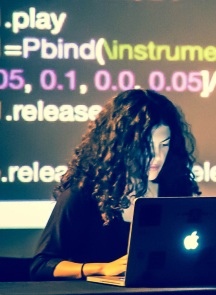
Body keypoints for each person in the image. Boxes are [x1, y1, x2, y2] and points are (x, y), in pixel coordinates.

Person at [30, 89, 199, 280]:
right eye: (147, 146)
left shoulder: (175, 188)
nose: (158, 157)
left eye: (164, 144)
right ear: (121, 145)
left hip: (159, 294)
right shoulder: (84, 192)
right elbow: (41, 265)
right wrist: (102, 269)